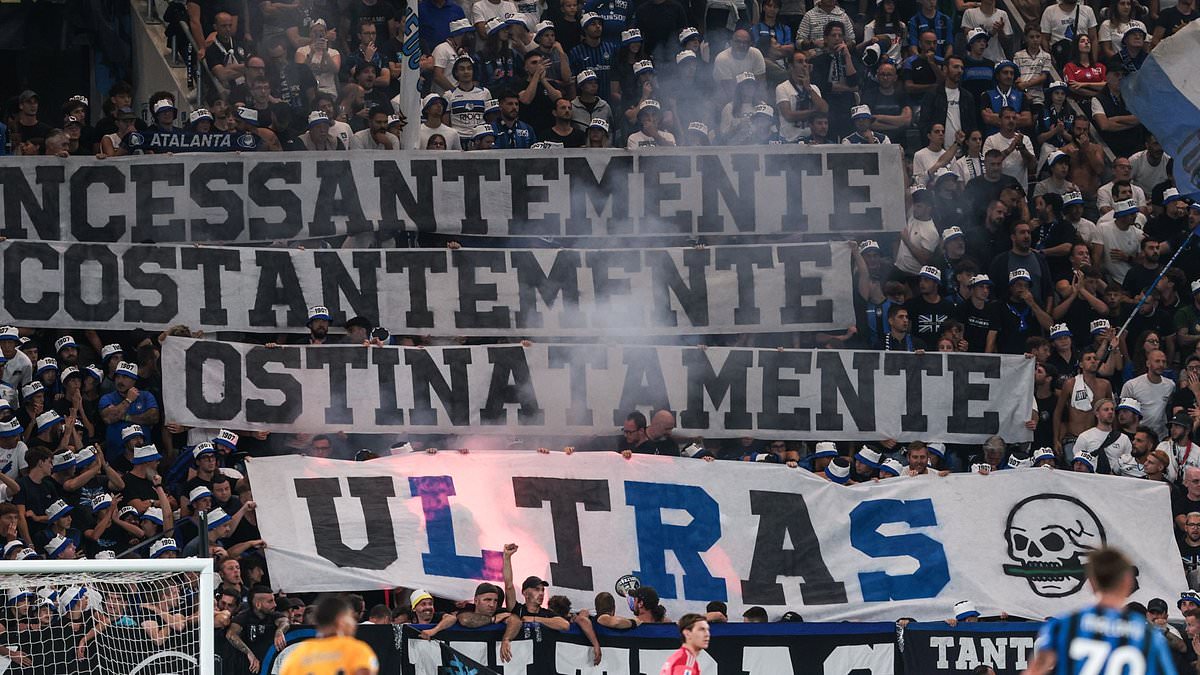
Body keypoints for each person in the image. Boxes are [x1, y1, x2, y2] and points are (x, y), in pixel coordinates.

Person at [1023, 548, 1176, 674]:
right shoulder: (1148, 635)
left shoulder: (1062, 627)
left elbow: (1035, 671)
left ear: (1091, 582)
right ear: (1127, 582)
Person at [280, 595, 378, 675]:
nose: (352, 623)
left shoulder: (298, 654)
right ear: (341, 620)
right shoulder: (356, 649)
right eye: (350, 618)